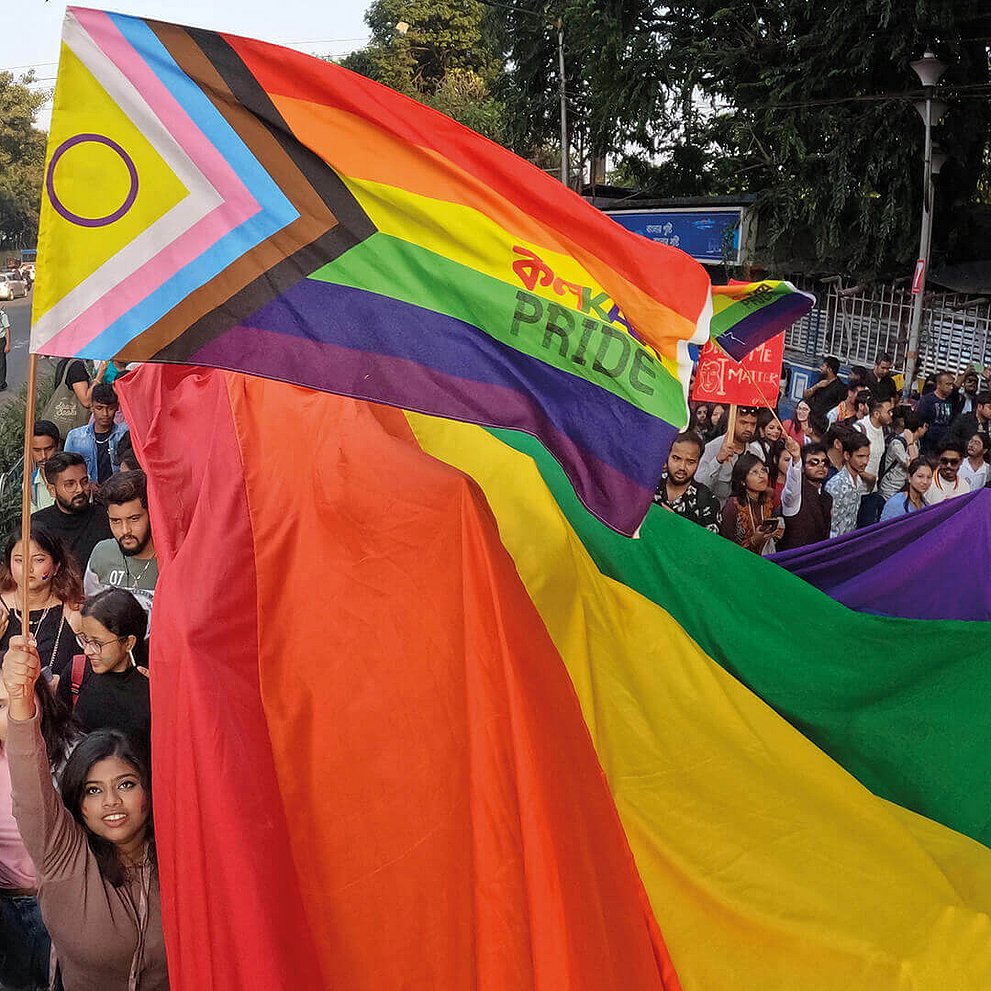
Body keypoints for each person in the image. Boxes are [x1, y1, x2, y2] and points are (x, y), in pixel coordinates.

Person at [2, 637, 169, 991]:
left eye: (125, 784)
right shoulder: (64, 858)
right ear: (78, 801)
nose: (111, 801)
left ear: (148, 791)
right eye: (94, 790)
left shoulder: (181, 861)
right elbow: (31, 787)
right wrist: (18, 704)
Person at [0, 673, 78, 991]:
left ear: (40, 701)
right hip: (5, 908)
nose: (10, 712)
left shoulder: (72, 755)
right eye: (0, 704)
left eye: (15, 699)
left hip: (56, 906)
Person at [60, 589, 150, 745]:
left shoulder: (151, 684)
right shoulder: (77, 672)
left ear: (129, 642)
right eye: (85, 639)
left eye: (97, 643)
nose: (88, 651)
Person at [0, 529, 82, 691]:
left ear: (56, 566)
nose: (28, 569)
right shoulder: (2, 608)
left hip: (58, 711)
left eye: (38, 560)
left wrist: (65, 684)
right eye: (19, 560)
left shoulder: (74, 613)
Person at [85, 471, 158, 627]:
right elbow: (92, 613)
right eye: (116, 521)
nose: (125, 531)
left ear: (152, 513)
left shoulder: (172, 559)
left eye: (134, 519)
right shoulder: (102, 554)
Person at [31, 453, 112, 573]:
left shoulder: (105, 517)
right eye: (70, 484)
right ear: (52, 490)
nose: (80, 489)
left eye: (84, 482)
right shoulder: (37, 524)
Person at [654, 432, 722, 533]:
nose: (682, 467)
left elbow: (708, 545)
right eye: (676, 458)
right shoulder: (649, 486)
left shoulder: (707, 503)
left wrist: (676, 525)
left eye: (690, 462)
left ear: (698, 462)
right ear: (667, 456)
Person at [64, 383, 128, 486]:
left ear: (117, 407)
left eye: (110, 408)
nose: (105, 414)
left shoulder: (125, 433)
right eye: (99, 408)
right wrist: (87, 484)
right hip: (88, 496)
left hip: (118, 494)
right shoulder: (75, 437)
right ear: (91, 407)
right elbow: (67, 470)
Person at [719, 453, 783, 554]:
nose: (761, 476)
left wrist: (775, 534)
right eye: (754, 472)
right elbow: (726, 547)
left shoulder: (768, 500)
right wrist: (754, 541)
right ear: (743, 481)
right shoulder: (733, 506)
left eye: (763, 470)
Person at [696, 406, 759, 505]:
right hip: (716, 512)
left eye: (753, 424)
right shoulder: (712, 448)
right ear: (731, 422)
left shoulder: (755, 453)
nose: (748, 428)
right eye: (743, 423)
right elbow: (698, 486)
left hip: (745, 513)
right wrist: (718, 460)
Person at [778, 438, 833, 550]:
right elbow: (791, 487)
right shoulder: (795, 495)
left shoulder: (827, 497)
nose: (821, 465)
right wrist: (796, 459)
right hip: (794, 560)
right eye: (814, 462)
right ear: (802, 467)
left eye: (825, 462)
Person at [853, 397, 894, 527]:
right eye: (889, 411)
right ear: (876, 414)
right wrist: (866, 476)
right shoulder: (860, 428)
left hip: (872, 491)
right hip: (856, 489)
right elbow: (848, 458)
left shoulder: (884, 430)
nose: (891, 414)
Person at [824, 432, 871, 537]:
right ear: (846, 455)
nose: (865, 461)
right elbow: (830, 524)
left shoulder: (859, 481)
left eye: (868, 456)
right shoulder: (836, 485)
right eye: (860, 456)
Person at [878, 407, 926, 500]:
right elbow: (913, 466)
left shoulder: (916, 442)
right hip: (890, 490)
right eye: (925, 426)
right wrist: (910, 444)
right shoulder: (898, 443)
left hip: (904, 489)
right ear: (919, 428)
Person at [916, 371, 960, 455]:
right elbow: (920, 421)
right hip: (927, 446)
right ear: (939, 385)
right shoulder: (927, 400)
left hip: (944, 446)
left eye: (952, 384)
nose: (951, 387)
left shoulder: (951, 401)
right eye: (948, 384)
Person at [924, 439, 969, 504]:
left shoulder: (965, 486)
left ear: (961, 461)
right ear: (938, 459)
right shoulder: (927, 483)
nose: (949, 466)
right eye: (944, 461)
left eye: (954, 462)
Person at [29, 420, 61, 512]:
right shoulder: (29, 484)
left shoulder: (76, 478)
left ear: (58, 446)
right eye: (37, 450)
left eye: (49, 449)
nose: (43, 456)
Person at [0, 305, 9, 392]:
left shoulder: (2, 315)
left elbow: (7, 330)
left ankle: (1, 383)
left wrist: (8, 344)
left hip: (1, 341)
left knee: (1, 363)